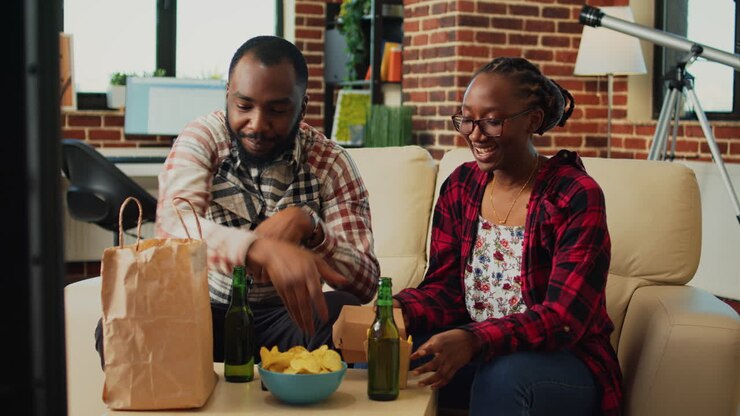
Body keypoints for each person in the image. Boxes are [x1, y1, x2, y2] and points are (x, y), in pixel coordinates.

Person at [95, 35, 379, 364]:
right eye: (244, 106)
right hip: (200, 314)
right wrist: (256, 249)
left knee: (344, 309)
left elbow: (366, 283)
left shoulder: (331, 163)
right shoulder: (203, 136)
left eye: (277, 110)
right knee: (122, 327)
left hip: (286, 323)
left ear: (302, 107)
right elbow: (174, 228)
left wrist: (312, 228)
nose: (256, 124)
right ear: (227, 96)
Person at [392, 57, 622, 415]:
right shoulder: (461, 186)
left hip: (562, 362)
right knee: (390, 352)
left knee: (502, 376)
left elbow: (564, 318)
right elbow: (448, 288)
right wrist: (396, 310)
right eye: (467, 119)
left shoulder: (574, 194)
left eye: (493, 121)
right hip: (480, 350)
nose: (475, 134)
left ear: (531, 120)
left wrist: (475, 339)